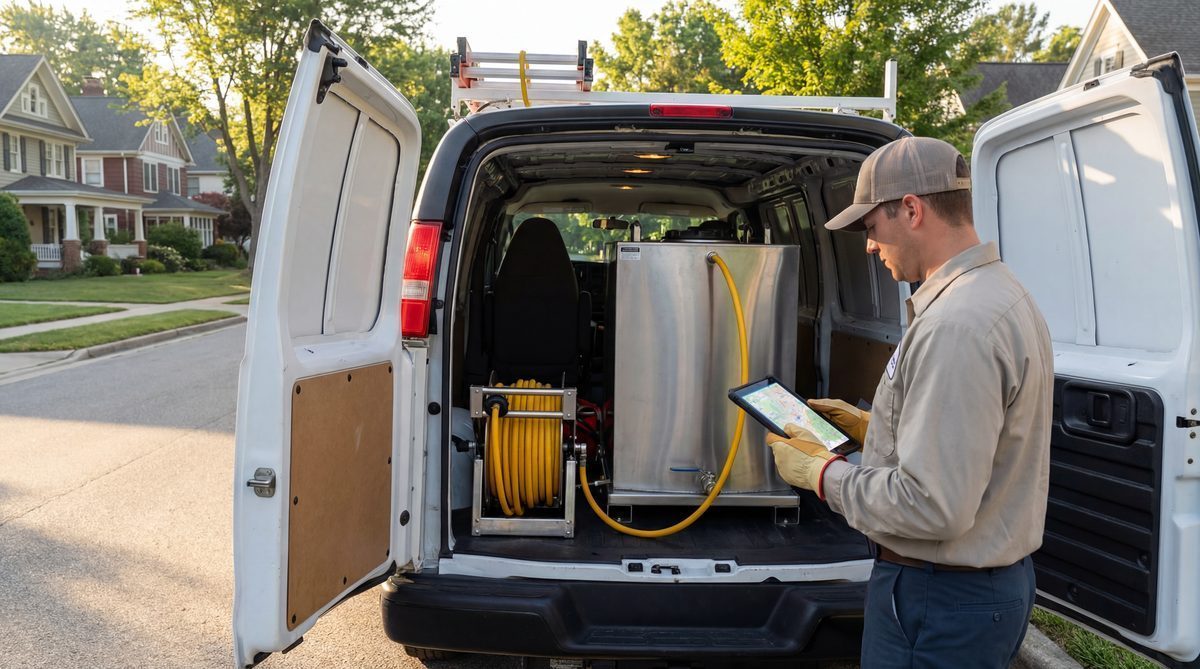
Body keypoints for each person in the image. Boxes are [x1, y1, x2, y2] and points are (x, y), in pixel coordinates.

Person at [766, 136, 1053, 668]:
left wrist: (821, 473)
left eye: (871, 227)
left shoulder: (957, 326)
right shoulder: (998, 295)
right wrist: (872, 427)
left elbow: (932, 505)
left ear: (912, 210)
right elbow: (973, 439)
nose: (870, 246)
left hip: (940, 600)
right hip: (969, 594)